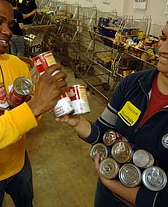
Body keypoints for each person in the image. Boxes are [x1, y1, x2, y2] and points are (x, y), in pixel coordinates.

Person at [57, 22, 168, 207]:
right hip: (106, 194)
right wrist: (77, 122)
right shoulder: (133, 83)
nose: (163, 49)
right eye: (163, 38)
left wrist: (110, 183)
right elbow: (104, 132)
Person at [0, 0, 68, 207]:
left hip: (19, 162)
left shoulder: (17, 65)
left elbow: (31, 117)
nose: (8, 32)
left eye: (9, 24)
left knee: (26, 200)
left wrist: (48, 101)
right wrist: (34, 107)